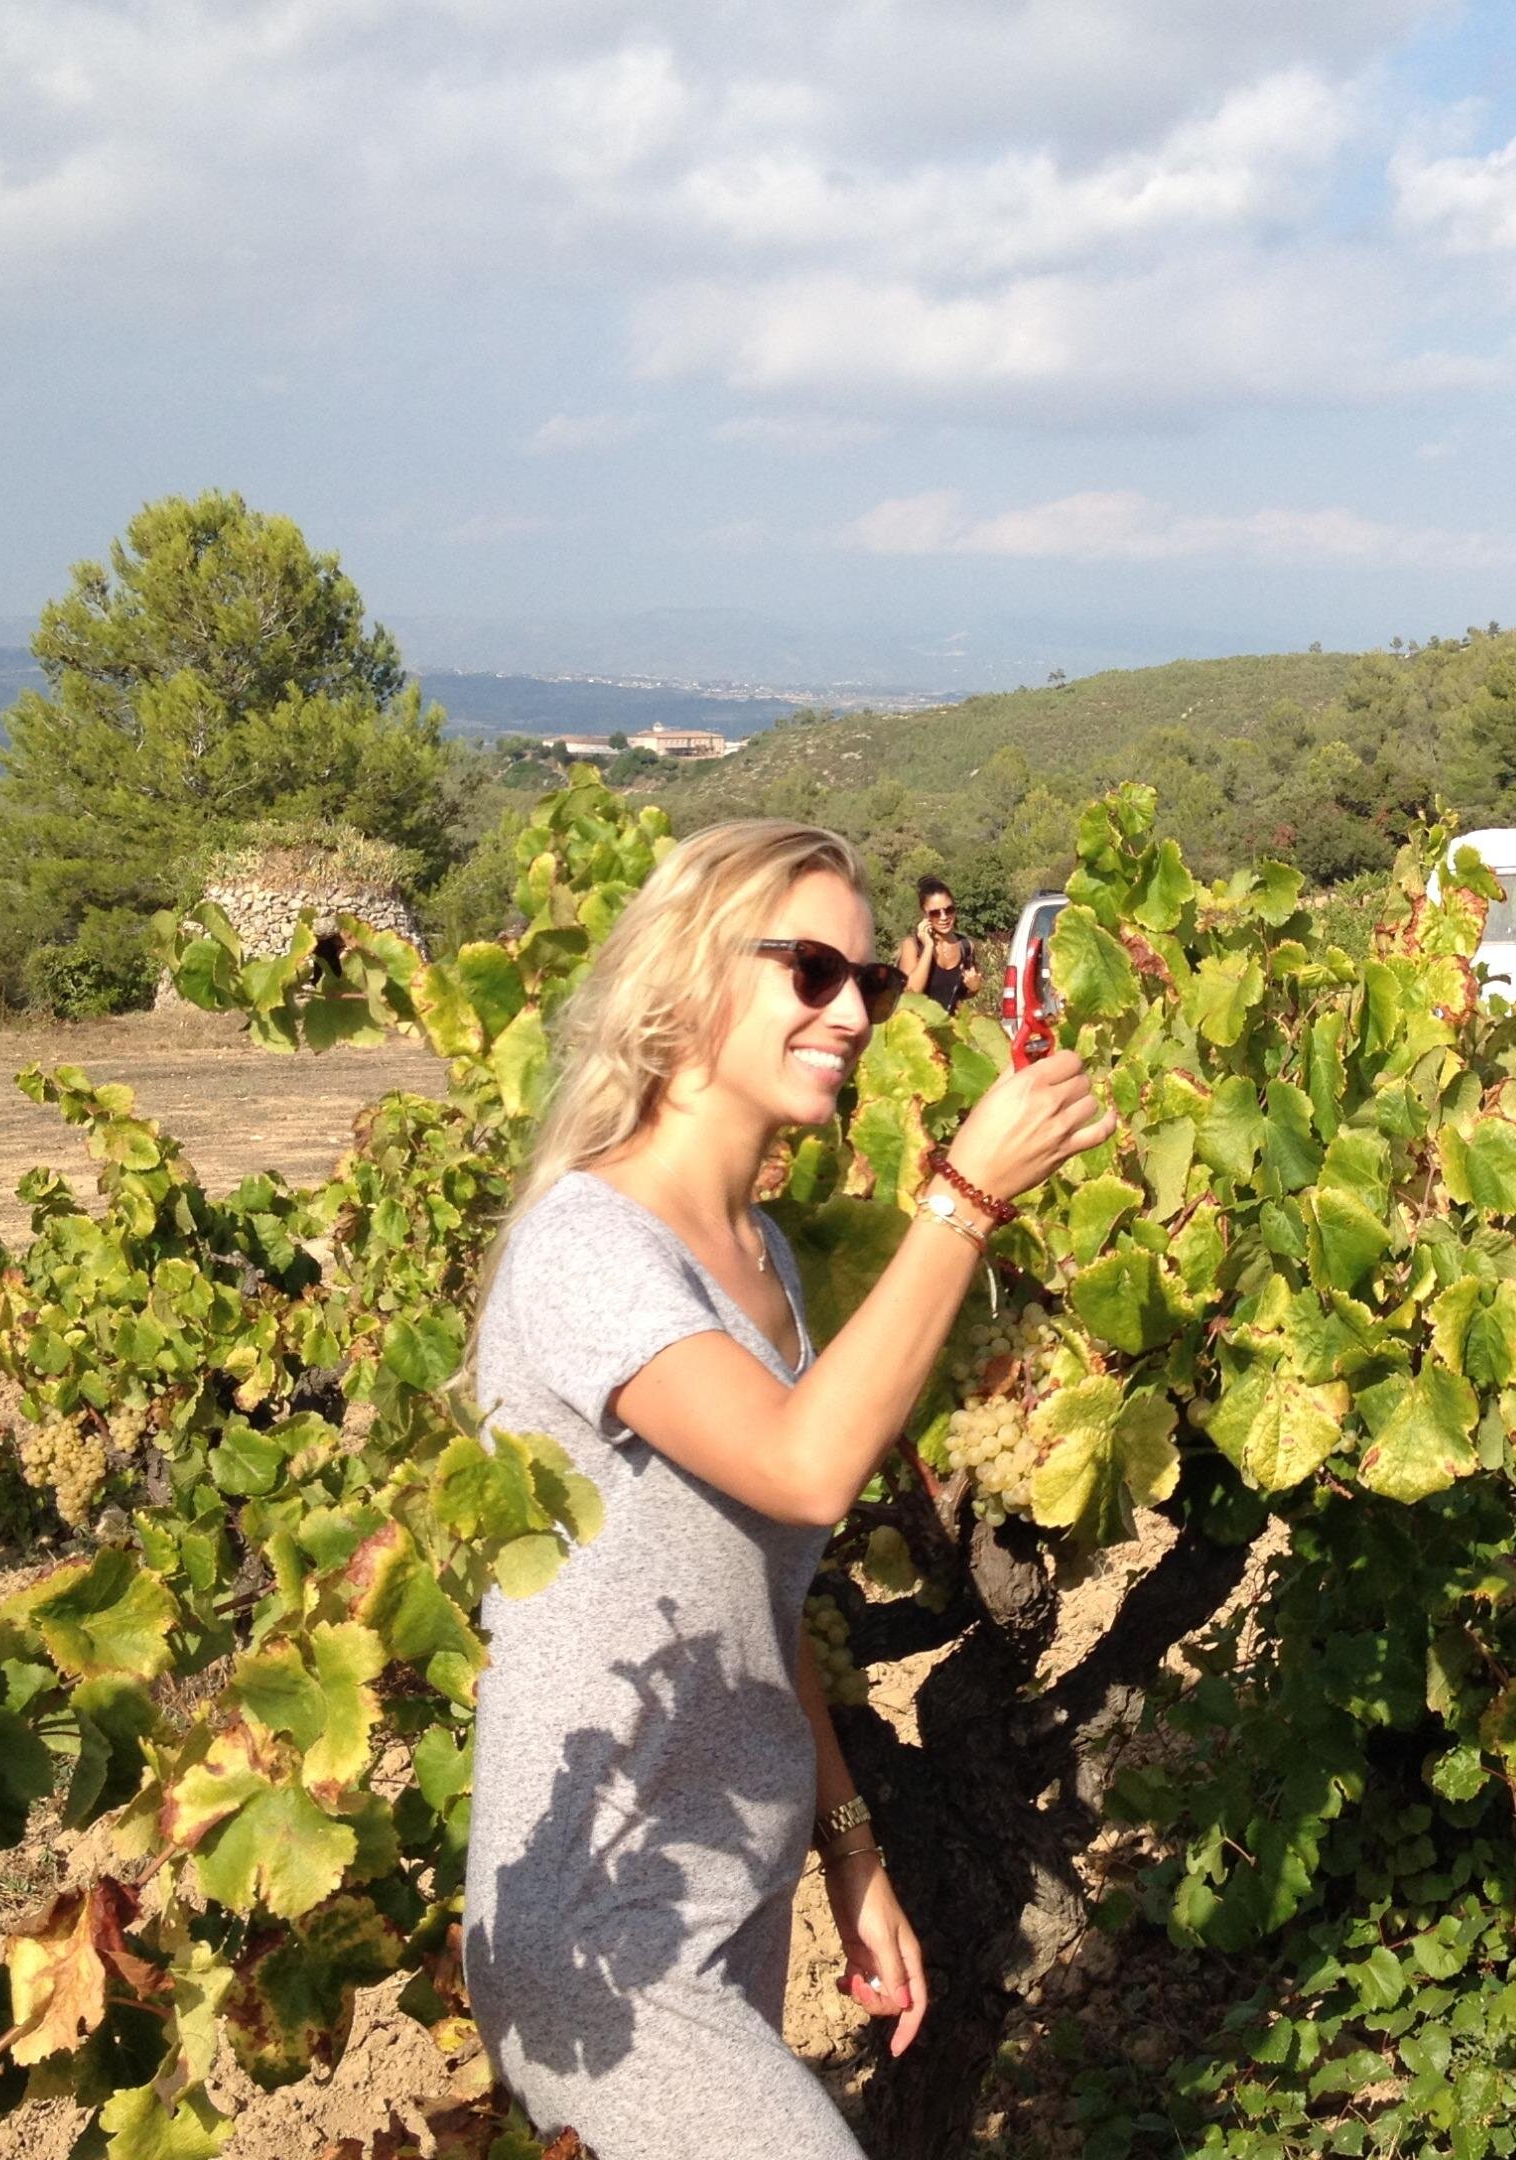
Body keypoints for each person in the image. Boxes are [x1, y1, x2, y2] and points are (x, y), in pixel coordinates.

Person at [461, 820, 1114, 2159]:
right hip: (604, 1919)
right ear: (687, 976)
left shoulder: (761, 1255)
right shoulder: (589, 1247)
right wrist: (966, 1196)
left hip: (730, 1881)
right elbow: (804, 1468)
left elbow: (762, 1599)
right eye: (812, 971)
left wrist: (850, 1848)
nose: (855, 1014)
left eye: (868, 982)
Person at [895, 876, 983, 1007]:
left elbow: (958, 994)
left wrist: (974, 989)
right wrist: (928, 946)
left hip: (949, 1020)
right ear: (924, 914)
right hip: (918, 1019)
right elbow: (911, 993)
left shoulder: (965, 947)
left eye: (949, 910)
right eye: (935, 913)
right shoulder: (913, 946)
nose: (944, 917)